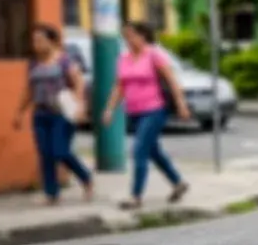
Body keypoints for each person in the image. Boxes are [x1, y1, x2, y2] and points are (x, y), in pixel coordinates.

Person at [103, 21, 192, 210]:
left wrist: (181, 104)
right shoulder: (124, 58)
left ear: (143, 36)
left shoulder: (154, 54)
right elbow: (119, 86)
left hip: (154, 109)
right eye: (125, 36)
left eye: (131, 35)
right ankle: (178, 182)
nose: (128, 39)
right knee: (153, 151)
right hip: (134, 112)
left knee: (139, 150)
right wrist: (110, 109)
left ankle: (136, 196)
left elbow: (171, 80)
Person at [13, 24, 94, 204]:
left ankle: (86, 177)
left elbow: (78, 83)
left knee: (60, 150)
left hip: (62, 113)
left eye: (40, 40)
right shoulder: (33, 63)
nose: (37, 44)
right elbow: (29, 90)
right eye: (34, 41)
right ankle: (51, 193)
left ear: (52, 41)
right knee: (45, 153)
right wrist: (19, 112)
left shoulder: (64, 61)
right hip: (41, 113)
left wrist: (81, 106)